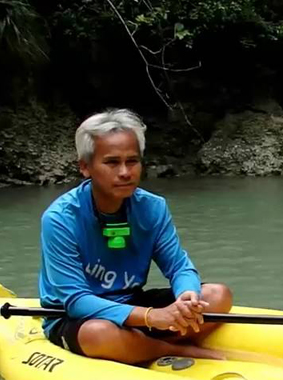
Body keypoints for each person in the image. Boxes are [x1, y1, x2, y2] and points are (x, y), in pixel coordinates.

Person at [38, 108, 231, 364]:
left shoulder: (153, 207)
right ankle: (172, 349)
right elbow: (76, 301)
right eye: (112, 162)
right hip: (79, 316)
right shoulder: (60, 219)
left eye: (132, 161)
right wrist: (151, 316)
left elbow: (179, 266)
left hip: (131, 301)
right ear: (85, 167)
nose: (125, 172)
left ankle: (139, 346)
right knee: (98, 334)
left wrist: (187, 296)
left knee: (218, 295)